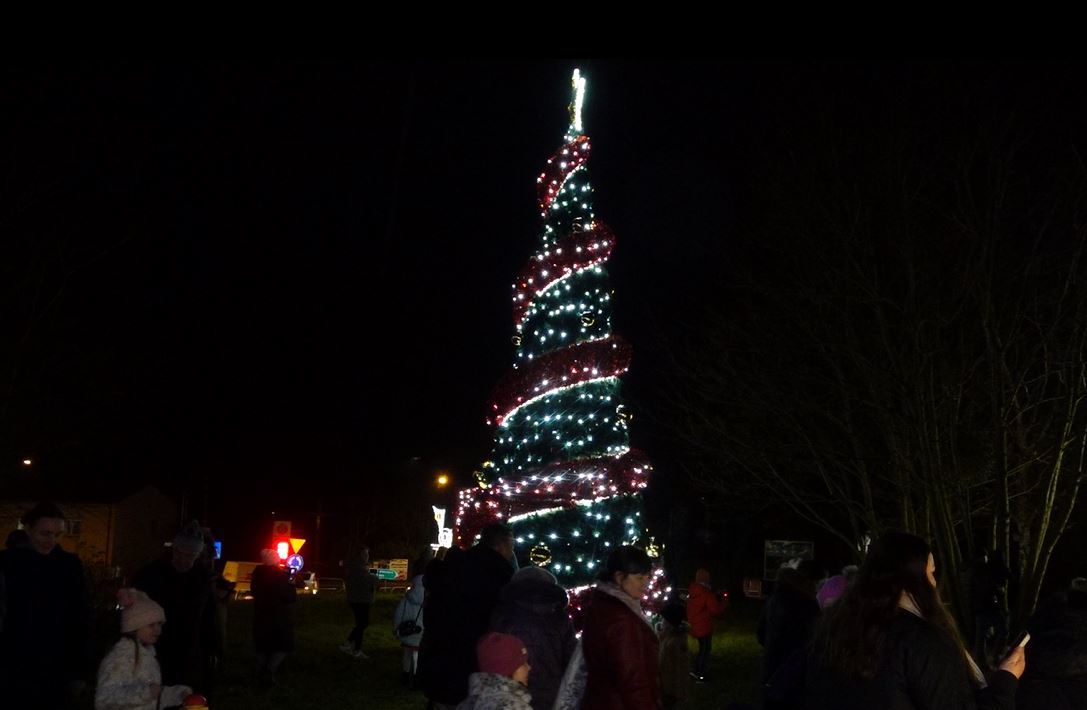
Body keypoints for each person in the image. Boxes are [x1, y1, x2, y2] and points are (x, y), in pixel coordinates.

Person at [806, 530, 1025, 710]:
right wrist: (1006, 681)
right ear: (915, 579)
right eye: (931, 573)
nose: (934, 583)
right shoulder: (922, 640)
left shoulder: (833, 631)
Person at [0, 502, 90, 710]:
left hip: (55, 663)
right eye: (45, 533)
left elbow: (79, 616)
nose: (52, 541)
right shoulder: (7, 563)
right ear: (28, 530)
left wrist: (78, 669)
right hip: (12, 660)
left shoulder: (69, 565)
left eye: (58, 534)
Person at [423, 524, 516, 707]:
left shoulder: (456, 566)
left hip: (441, 658)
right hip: (472, 663)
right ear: (501, 545)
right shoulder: (499, 575)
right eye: (512, 545)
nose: (512, 551)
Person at [133, 520, 216, 694]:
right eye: (180, 553)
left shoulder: (202, 579)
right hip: (155, 652)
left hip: (189, 655)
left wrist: (213, 650)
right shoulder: (150, 575)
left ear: (197, 554)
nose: (183, 559)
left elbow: (209, 617)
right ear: (174, 549)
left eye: (190, 554)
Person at [581, 545, 660, 710]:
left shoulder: (602, 603)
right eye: (639, 578)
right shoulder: (621, 618)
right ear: (619, 577)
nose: (646, 583)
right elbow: (633, 682)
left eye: (648, 576)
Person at [489, 565, 576, 710]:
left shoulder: (504, 615)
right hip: (552, 694)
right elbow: (571, 658)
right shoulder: (559, 617)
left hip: (512, 695)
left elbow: (493, 656)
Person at [95, 588, 192, 710]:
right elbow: (104, 699)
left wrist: (177, 695)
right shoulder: (119, 657)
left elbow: (151, 700)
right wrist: (147, 692)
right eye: (151, 625)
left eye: (160, 624)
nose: (158, 630)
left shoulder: (148, 656)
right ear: (134, 627)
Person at [251, 549, 297, 684]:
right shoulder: (281, 576)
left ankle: (260, 671)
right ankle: (270, 670)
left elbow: (254, 591)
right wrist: (291, 584)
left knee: (262, 645)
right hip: (279, 616)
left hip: (260, 614)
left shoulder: (257, 573)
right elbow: (290, 597)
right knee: (282, 645)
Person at [456, 631, 533, 710]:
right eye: (523, 663)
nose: (529, 667)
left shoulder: (466, 705)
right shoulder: (513, 706)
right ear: (506, 669)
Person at [687, 568, 726, 681]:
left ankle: (696, 670)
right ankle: (700, 673)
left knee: (702, 649)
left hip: (695, 625)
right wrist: (723, 601)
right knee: (705, 650)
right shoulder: (707, 593)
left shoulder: (693, 592)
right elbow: (716, 610)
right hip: (704, 627)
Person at [341, 544, 376, 659]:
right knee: (362, 624)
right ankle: (356, 649)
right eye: (365, 554)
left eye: (367, 554)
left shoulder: (356, 566)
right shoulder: (358, 567)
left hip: (358, 598)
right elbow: (365, 580)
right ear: (360, 555)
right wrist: (374, 578)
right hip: (360, 599)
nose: (367, 556)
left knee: (361, 624)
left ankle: (348, 644)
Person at [393, 573, 426, 687]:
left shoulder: (406, 599)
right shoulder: (429, 601)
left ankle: (405, 674)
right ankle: (416, 678)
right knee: (418, 656)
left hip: (407, 632)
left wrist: (396, 628)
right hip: (421, 633)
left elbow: (398, 614)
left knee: (407, 654)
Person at [658, 601, 691, 709]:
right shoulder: (665, 636)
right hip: (662, 686)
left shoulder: (677, 642)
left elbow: (680, 669)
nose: (661, 621)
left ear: (669, 622)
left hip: (669, 690)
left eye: (663, 619)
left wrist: (676, 693)